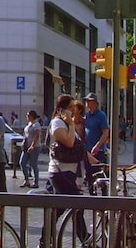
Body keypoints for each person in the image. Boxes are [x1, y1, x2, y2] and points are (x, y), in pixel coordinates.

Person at [46, 94, 88, 245]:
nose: (73, 111)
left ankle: (45, 239)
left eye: (74, 107)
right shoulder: (58, 123)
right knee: (77, 204)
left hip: (68, 172)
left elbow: (78, 147)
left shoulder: (67, 124)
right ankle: (85, 238)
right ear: (61, 109)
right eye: (70, 108)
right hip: (60, 173)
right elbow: (70, 143)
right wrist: (70, 124)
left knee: (60, 208)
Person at [83, 93, 110, 166]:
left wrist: (97, 146)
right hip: (88, 150)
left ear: (95, 103)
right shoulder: (87, 115)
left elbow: (105, 132)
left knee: (99, 173)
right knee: (88, 174)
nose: (87, 102)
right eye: (86, 101)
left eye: (89, 101)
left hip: (98, 151)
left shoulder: (101, 115)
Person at [20, 110, 41, 188]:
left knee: (33, 164)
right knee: (22, 162)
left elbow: (37, 136)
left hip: (34, 147)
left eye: (28, 115)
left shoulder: (36, 124)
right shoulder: (29, 124)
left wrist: (33, 145)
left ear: (32, 116)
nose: (27, 116)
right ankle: (26, 180)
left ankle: (36, 182)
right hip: (26, 147)